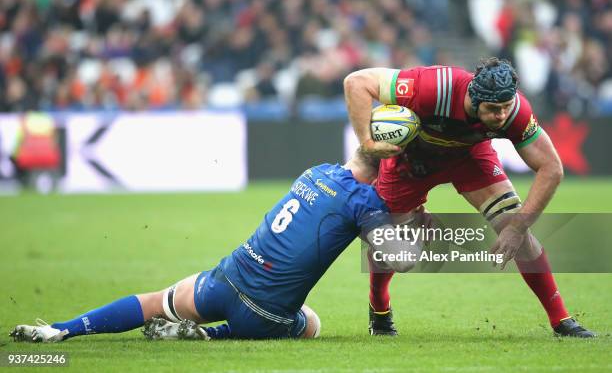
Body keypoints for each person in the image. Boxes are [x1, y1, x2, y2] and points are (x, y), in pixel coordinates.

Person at [10, 149, 420, 343]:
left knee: (155, 300)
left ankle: (59, 331)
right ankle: (212, 337)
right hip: (263, 313)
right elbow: (399, 259)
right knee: (311, 322)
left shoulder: (315, 170)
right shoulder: (363, 201)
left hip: (225, 278)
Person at [343, 57, 595, 338]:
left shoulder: (515, 112)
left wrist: (517, 227)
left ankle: (561, 320)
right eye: (492, 109)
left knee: (517, 230)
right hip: (410, 160)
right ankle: (379, 308)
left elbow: (551, 168)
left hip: (469, 158)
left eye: (506, 107)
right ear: (474, 99)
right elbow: (357, 82)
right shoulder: (433, 87)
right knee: (393, 246)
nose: (501, 116)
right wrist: (367, 143)